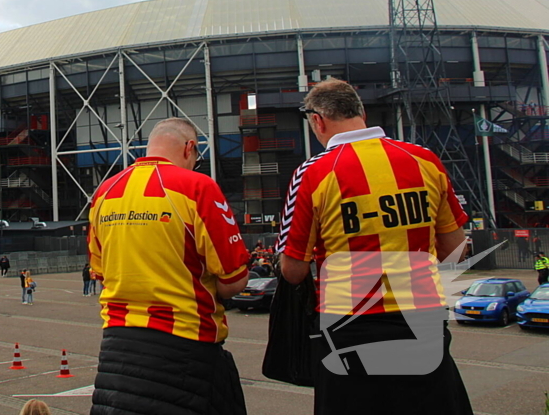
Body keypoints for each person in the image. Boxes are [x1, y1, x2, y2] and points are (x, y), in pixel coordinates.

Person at [277, 78, 472, 415]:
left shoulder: (313, 174)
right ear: (362, 112)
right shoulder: (423, 159)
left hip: (349, 327)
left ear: (318, 121)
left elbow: (292, 271)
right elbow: (456, 249)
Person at [88, 117, 250, 415]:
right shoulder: (198, 187)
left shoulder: (105, 192)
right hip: (186, 350)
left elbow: (100, 274)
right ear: (190, 147)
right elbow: (234, 280)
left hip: (116, 349)